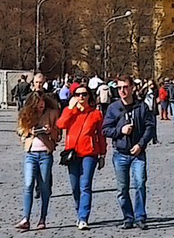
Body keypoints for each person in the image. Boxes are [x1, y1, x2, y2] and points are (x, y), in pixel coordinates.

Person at [55, 83, 109, 226]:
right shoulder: (69, 111)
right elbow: (60, 124)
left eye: (84, 94)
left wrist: (102, 154)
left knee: (85, 185)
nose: (81, 97)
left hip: (89, 153)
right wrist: (71, 109)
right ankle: (79, 210)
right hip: (72, 153)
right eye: (78, 94)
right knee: (75, 186)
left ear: (89, 96)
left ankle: (83, 217)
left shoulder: (95, 114)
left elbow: (101, 136)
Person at [104, 77, 154, 227]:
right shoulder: (113, 108)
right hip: (120, 153)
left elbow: (150, 127)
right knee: (122, 188)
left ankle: (140, 216)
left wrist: (141, 144)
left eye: (125, 87)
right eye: (119, 88)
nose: (122, 91)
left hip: (138, 152)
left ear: (132, 88)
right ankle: (127, 217)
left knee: (140, 183)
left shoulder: (142, 107)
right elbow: (105, 129)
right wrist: (120, 130)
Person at [14, 89, 57, 229]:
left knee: (44, 186)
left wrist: (50, 131)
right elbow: (19, 130)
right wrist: (28, 131)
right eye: (38, 104)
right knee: (28, 185)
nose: (41, 106)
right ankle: (26, 218)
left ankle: (42, 218)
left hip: (45, 153)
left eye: (42, 103)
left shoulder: (51, 113)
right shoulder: (25, 114)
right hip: (30, 153)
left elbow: (58, 134)